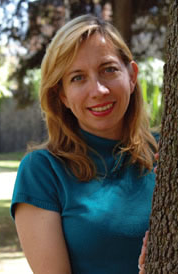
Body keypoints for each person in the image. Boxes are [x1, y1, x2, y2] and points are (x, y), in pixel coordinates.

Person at [10, 14, 158, 274]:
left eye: (108, 69)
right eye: (78, 77)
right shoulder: (43, 172)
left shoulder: (169, 152)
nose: (98, 90)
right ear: (62, 95)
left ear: (132, 76)